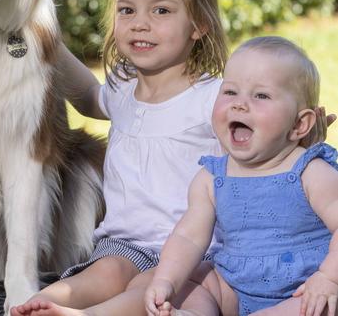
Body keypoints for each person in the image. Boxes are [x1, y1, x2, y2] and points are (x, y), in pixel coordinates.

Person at [11, 0, 229, 316]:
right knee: (99, 276)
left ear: (199, 25)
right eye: (127, 10)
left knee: (151, 288)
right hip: (124, 244)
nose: (139, 24)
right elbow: (90, 100)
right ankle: (43, 305)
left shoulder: (212, 98)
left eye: (160, 11)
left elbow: (257, 142)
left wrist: (296, 134)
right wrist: (51, 44)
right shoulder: (125, 87)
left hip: (188, 251)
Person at [145, 36, 338, 316]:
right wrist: (165, 281)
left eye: (261, 96)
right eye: (230, 92)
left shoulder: (310, 172)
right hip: (234, 286)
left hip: (305, 287)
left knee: (317, 307)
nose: (239, 105)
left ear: (299, 124)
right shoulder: (211, 178)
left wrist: (329, 278)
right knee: (197, 282)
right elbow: (188, 237)